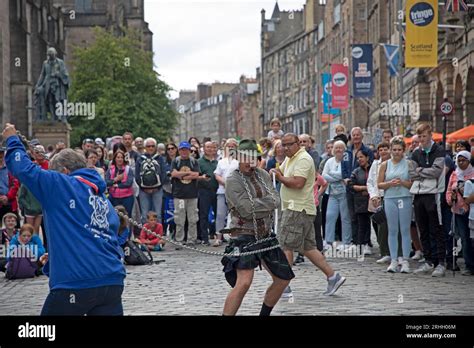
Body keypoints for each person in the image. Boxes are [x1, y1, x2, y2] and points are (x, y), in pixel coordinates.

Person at [4, 123, 126, 315]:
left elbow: (22, 168)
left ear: (65, 171)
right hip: (111, 282)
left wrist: (12, 139)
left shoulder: (62, 184)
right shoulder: (101, 198)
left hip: (76, 283)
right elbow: (98, 235)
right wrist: (56, 256)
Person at [222, 139, 293, 316]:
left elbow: (277, 200)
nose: (250, 162)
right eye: (246, 157)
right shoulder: (233, 180)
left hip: (266, 235)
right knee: (244, 283)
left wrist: (260, 203)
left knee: (283, 278)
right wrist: (266, 204)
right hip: (243, 235)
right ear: (238, 157)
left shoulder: (263, 175)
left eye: (254, 158)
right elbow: (246, 210)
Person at [270, 133, 346, 298]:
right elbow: (280, 171)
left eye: (289, 144)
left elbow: (298, 183)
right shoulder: (291, 158)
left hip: (297, 209)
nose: (285, 148)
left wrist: (280, 177)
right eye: (283, 144)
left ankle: (283, 285)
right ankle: (333, 277)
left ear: (298, 143)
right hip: (294, 208)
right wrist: (274, 171)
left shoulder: (303, 159)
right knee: (308, 248)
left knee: (286, 245)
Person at [410, 124, 447, 277]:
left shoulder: (438, 150)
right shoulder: (415, 152)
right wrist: (423, 171)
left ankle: (440, 262)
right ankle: (428, 260)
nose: (422, 139)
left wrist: (421, 170)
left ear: (430, 135)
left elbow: (436, 171)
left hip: (434, 194)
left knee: (436, 228)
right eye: (420, 137)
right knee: (422, 229)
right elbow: (412, 172)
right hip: (418, 194)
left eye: (424, 136)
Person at [378, 137, 414, 273]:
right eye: (394, 150)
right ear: (390, 150)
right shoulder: (385, 164)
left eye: (399, 150)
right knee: (392, 229)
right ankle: (393, 260)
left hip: (404, 197)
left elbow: (413, 183)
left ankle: (405, 260)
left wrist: (403, 182)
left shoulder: (409, 163)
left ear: (403, 150)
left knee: (404, 229)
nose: (397, 152)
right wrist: (389, 184)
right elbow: (379, 184)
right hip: (390, 198)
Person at [342, 127, 374, 245]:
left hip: (363, 188)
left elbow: (370, 167)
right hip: (350, 187)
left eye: (358, 135)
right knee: (353, 216)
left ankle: (366, 242)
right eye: (353, 135)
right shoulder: (347, 152)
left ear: (362, 136)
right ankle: (356, 242)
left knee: (365, 216)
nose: (356, 137)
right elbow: (344, 167)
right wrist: (346, 178)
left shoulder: (367, 151)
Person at [171, 141, 205, 247]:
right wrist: (187, 174)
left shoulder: (193, 162)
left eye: (186, 149)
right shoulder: (175, 161)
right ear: (179, 151)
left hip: (192, 194)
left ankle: (191, 239)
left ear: (189, 150)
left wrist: (181, 175)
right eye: (182, 149)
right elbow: (173, 174)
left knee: (193, 218)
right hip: (179, 195)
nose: (184, 151)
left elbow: (196, 174)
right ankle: (179, 239)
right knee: (179, 218)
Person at [447, 151, 474, 276]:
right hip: (458, 211)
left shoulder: (472, 173)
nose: (461, 163)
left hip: (471, 210)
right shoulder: (454, 174)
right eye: (459, 160)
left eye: (464, 160)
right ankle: (469, 265)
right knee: (464, 238)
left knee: (471, 238)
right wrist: (450, 199)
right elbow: (448, 191)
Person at [322, 140, 353, 251]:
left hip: (344, 193)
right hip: (332, 194)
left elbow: (347, 174)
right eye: (336, 148)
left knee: (345, 218)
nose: (338, 150)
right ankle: (328, 240)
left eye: (341, 148)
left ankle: (346, 241)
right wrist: (340, 177)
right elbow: (324, 176)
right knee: (330, 216)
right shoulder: (329, 161)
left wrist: (334, 175)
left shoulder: (347, 161)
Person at [367, 142, 392, 264]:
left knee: (393, 226)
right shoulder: (375, 164)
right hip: (378, 198)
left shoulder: (393, 163)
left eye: (385, 149)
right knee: (381, 226)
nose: (383, 151)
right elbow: (370, 181)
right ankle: (384, 252)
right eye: (381, 149)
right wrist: (374, 195)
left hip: (391, 196)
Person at [214, 139, 239, 247]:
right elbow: (217, 174)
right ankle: (219, 237)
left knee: (236, 215)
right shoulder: (221, 161)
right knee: (220, 214)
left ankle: (235, 236)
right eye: (229, 146)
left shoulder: (240, 161)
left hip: (236, 193)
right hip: (222, 191)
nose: (231, 148)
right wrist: (224, 182)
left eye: (233, 146)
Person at [135, 138, 166, 224]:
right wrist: (143, 187)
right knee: (145, 215)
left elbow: (163, 174)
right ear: (145, 147)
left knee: (158, 214)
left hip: (158, 190)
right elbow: (137, 175)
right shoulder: (140, 159)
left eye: (153, 146)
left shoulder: (160, 159)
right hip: (143, 191)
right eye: (148, 146)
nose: (151, 148)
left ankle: (158, 235)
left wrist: (158, 187)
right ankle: (145, 235)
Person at [348, 149, 372, 255]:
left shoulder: (373, 169)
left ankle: (368, 243)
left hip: (372, 200)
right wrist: (365, 188)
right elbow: (352, 185)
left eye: (361, 157)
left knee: (374, 223)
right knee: (362, 224)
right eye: (358, 158)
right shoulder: (356, 171)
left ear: (367, 157)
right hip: (360, 201)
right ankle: (361, 244)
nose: (359, 159)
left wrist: (369, 189)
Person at [197, 141, 218, 245]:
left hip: (217, 191)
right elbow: (196, 176)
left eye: (212, 147)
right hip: (204, 191)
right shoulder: (199, 162)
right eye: (208, 147)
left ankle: (216, 235)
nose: (210, 149)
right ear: (204, 149)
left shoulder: (218, 162)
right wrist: (202, 178)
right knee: (204, 215)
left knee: (218, 214)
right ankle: (204, 237)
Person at [106, 150, 135, 217]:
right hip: (114, 197)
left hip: (127, 197)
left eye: (121, 157)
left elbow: (129, 183)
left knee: (127, 216)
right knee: (115, 216)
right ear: (115, 159)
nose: (120, 159)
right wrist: (115, 179)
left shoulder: (128, 169)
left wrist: (117, 185)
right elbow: (107, 182)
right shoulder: (110, 169)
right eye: (118, 157)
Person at [0, 147, 20, 224]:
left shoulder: (10, 168)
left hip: (10, 203)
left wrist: (7, 197)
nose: (0, 159)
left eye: (1, 156)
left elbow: (15, 184)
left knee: (14, 228)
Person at [163, 143, 178, 238]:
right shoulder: (164, 162)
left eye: (172, 148)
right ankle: (170, 229)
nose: (171, 150)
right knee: (169, 212)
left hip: (180, 191)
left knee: (178, 212)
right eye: (168, 149)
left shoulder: (180, 160)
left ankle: (177, 231)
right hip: (168, 190)